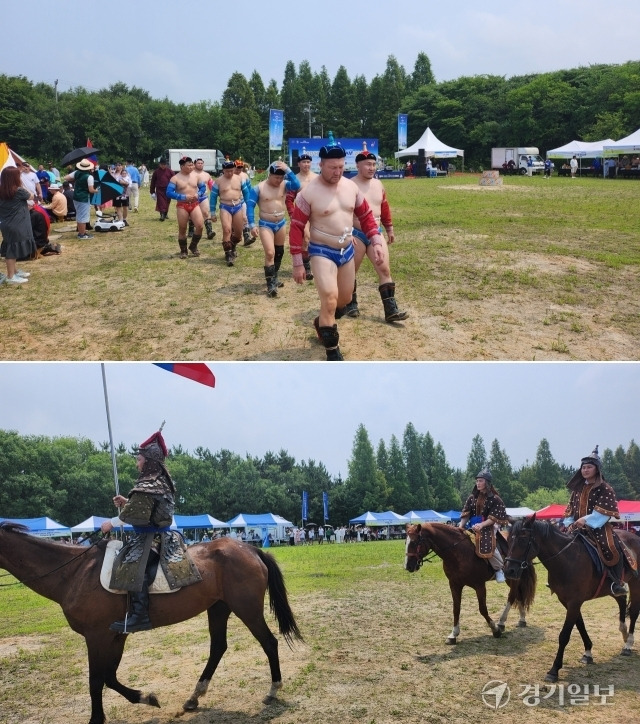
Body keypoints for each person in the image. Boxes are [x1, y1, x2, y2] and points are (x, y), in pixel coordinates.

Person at [289, 133, 384, 360]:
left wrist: (377, 240)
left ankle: (322, 323)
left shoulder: (351, 188)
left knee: (344, 300)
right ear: (321, 165)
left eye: (341, 167)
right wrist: (297, 263)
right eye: (332, 167)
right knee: (330, 299)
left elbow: (367, 216)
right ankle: (332, 352)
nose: (337, 172)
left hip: (347, 250)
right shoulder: (308, 193)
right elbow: (296, 227)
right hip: (321, 250)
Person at [100, 428, 201, 633]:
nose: (137, 463)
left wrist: (111, 523)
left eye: (139, 459)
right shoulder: (160, 482)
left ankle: (139, 616)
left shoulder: (149, 484)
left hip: (152, 539)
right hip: (158, 534)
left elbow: (136, 514)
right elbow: (147, 509)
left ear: (149, 461)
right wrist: (128, 502)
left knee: (134, 568)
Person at [339, 145, 407, 322]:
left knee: (384, 268)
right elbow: (341, 211)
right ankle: (351, 303)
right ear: (358, 166)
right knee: (351, 270)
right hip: (356, 233)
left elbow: (384, 207)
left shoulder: (378, 184)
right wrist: (346, 233)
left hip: (375, 233)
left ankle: (391, 310)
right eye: (367, 164)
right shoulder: (349, 185)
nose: (371, 168)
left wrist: (389, 228)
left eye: (373, 164)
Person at [562, 446, 630, 597]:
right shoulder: (577, 489)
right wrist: (569, 523)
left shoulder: (605, 488)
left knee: (612, 547)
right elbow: (569, 509)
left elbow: (603, 512)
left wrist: (585, 520)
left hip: (598, 527)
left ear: (597, 469)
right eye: (583, 467)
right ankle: (560, 578)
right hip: (575, 527)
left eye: (589, 467)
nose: (585, 470)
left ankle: (616, 583)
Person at [247, 160, 300, 297]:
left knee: (279, 252)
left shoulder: (285, 185)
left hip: (281, 223)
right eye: (276, 177)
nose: (279, 180)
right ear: (269, 175)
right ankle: (270, 284)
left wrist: (287, 169)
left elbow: (297, 185)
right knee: (270, 252)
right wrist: (252, 224)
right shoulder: (259, 188)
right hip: (266, 224)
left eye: (281, 177)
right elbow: (250, 206)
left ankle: (274, 276)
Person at [458, 468, 509, 582]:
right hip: (471, 526)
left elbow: (493, 518)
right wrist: (461, 526)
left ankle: (499, 569)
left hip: (488, 527)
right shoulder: (472, 498)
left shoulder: (495, 499)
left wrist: (481, 525)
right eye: (477, 481)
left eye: (480, 481)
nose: (478, 483)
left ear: (487, 482)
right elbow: (466, 513)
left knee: (487, 543)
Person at [210, 159, 251, 266]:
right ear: (223, 170)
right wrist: (213, 212)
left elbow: (246, 194)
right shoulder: (218, 181)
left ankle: (232, 246)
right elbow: (213, 197)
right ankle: (228, 254)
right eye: (227, 171)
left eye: (231, 170)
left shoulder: (239, 179)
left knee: (238, 234)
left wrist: (248, 208)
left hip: (238, 206)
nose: (229, 173)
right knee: (227, 230)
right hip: (225, 207)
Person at [0, 166, 37, 284]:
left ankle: (14, 271)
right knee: (12, 250)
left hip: (7, 223)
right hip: (17, 224)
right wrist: (22, 184)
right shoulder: (18, 190)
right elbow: (31, 196)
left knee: (11, 246)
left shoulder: (2, 190)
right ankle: (11, 277)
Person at [166, 157, 205, 258]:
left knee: (200, 226)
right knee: (183, 229)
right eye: (189, 165)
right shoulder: (175, 178)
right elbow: (169, 192)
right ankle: (183, 251)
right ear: (182, 166)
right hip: (182, 205)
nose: (192, 167)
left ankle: (193, 246)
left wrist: (199, 194)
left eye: (192, 164)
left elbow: (203, 187)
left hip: (195, 204)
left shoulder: (196, 176)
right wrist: (182, 197)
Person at [285, 152, 315, 280]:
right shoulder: (295, 180)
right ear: (298, 164)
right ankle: (307, 267)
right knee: (306, 238)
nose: (306, 164)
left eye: (308, 162)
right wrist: (293, 214)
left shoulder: (317, 178)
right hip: (302, 213)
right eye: (303, 162)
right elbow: (289, 199)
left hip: (317, 213)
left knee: (315, 239)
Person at [64, 159, 98, 239]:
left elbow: (66, 178)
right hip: (84, 197)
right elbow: (91, 190)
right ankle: (82, 234)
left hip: (76, 196)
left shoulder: (76, 173)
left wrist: (75, 179)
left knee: (79, 215)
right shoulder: (89, 177)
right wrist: (97, 190)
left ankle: (81, 232)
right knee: (83, 216)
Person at [193, 157, 216, 241]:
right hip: (193, 197)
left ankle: (209, 231)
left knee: (206, 213)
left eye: (201, 163)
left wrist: (215, 193)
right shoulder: (191, 174)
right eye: (198, 163)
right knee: (191, 215)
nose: (200, 164)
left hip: (204, 196)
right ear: (195, 164)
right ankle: (191, 230)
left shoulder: (207, 175)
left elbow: (211, 185)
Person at [233, 160, 254, 246]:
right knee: (234, 221)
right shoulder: (230, 175)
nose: (238, 170)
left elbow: (249, 188)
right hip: (233, 202)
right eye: (237, 168)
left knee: (245, 218)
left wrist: (249, 200)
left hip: (243, 200)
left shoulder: (245, 176)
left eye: (240, 168)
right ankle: (233, 236)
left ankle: (246, 236)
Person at [112, 162, 131, 226]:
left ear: (122, 166)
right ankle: (120, 220)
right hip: (116, 193)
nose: (117, 166)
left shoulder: (126, 174)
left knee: (125, 207)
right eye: (116, 165)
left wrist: (123, 182)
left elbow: (129, 183)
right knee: (118, 207)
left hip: (125, 193)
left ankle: (124, 219)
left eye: (119, 165)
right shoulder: (113, 174)